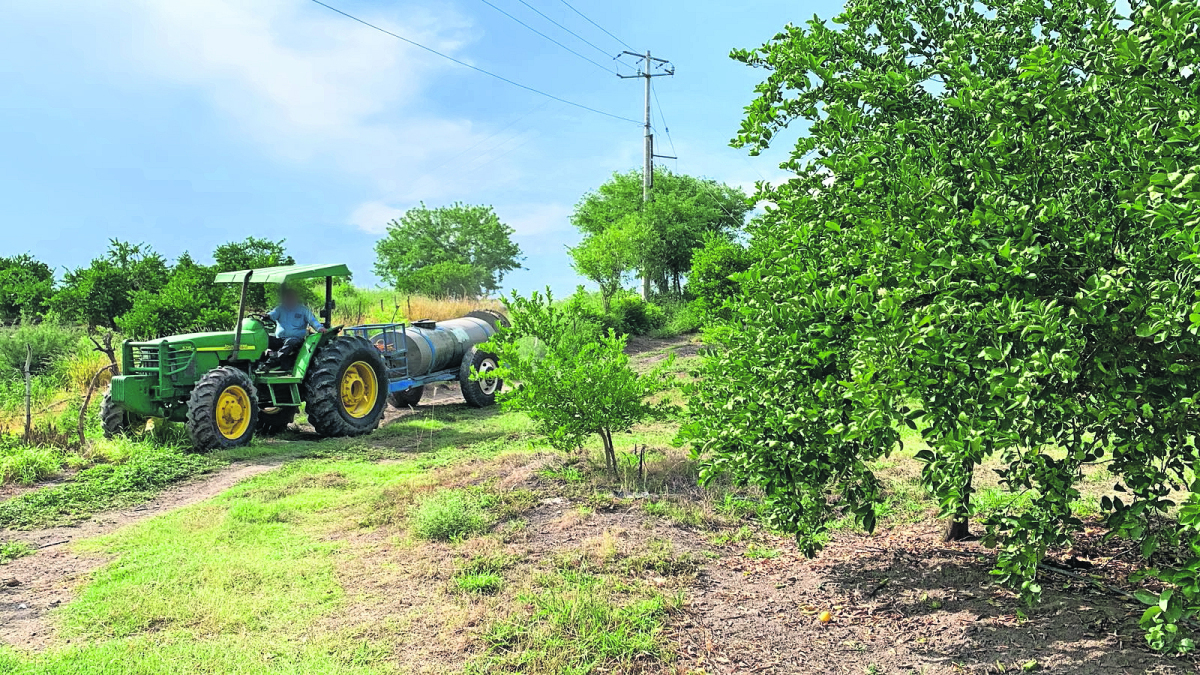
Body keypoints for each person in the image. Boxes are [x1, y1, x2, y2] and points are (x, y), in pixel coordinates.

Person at [261, 287, 325, 369]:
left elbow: (313, 321)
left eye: (291, 297)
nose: (289, 299)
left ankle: (273, 360)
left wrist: (320, 328)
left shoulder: (303, 310)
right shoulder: (280, 309)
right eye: (287, 297)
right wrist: (267, 316)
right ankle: (258, 362)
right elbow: (272, 315)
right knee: (264, 339)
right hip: (279, 338)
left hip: (295, 340)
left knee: (291, 341)